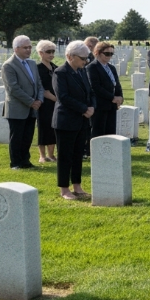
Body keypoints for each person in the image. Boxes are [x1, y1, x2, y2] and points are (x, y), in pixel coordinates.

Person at [53, 40, 95, 200]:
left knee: (78, 154)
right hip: (66, 120)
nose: (86, 61)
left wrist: (92, 107)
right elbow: (63, 97)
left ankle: (77, 185)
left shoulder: (82, 71)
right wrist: (84, 109)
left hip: (82, 120)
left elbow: (90, 92)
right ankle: (64, 189)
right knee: (65, 156)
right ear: (70, 56)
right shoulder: (60, 73)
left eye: (87, 58)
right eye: (83, 58)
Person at [2, 35, 44, 169]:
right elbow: (13, 88)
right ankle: (15, 163)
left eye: (30, 47)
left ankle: (26, 161)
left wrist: (39, 100)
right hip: (17, 107)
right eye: (25, 47)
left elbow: (38, 84)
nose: (28, 50)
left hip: (33, 107)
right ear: (16, 49)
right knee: (17, 137)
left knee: (28, 136)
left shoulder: (31, 63)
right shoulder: (9, 65)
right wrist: (32, 102)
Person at [87, 41, 123, 155]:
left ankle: (109, 152)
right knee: (98, 130)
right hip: (99, 104)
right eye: (107, 53)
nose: (109, 56)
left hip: (111, 105)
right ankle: (96, 153)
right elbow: (95, 87)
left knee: (110, 130)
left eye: (111, 54)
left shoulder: (111, 67)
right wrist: (112, 97)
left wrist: (120, 97)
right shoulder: (92, 67)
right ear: (97, 53)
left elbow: (116, 84)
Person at [35, 40, 58, 163]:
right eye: (48, 51)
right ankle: (42, 156)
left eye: (53, 51)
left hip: (56, 102)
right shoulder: (37, 68)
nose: (51, 54)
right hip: (44, 103)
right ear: (41, 53)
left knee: (53, 128)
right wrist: (51, 97)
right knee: (44, 128)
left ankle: (52, 154)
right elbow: (39, 87)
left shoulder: (56, 68)